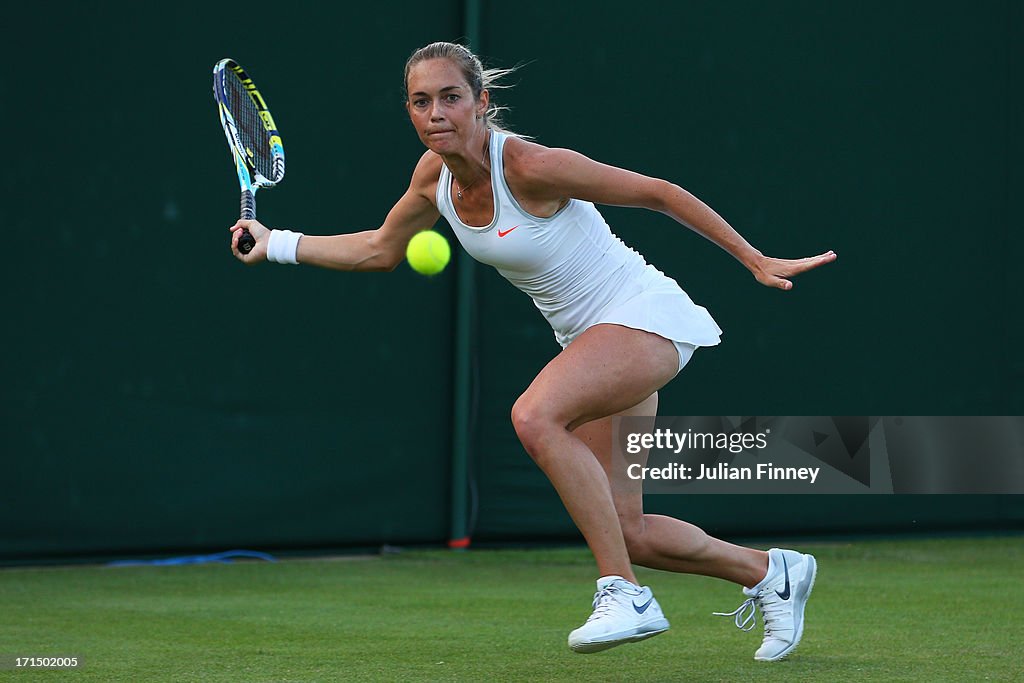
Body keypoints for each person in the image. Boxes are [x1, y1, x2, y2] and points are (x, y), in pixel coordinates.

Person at [229, 41, 836, 661]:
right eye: (420, 101)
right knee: (631, 531)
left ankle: (623, 592)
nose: (435, 113)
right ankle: (771, 573)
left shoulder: (530, 166)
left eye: (450, 97)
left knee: (534, 415)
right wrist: (278, 241)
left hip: (643, 315)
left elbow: (660, 191)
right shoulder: (432, 178)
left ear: (480, 103)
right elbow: (380, 249)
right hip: (595, 344)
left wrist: (754, 259)